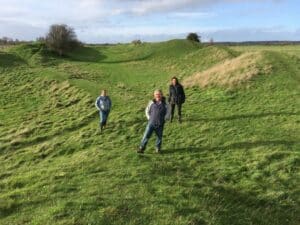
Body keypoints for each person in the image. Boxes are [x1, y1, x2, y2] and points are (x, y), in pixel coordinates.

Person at [137, 90, 170, 154]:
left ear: (162, 95)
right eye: (156, 94)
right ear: (154, 95)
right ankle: (141, 148)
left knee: (159, 137)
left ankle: (158, 149)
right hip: (151, 123)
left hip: (160, 123)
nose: (158, 95)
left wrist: (165, 119)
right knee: (146, 136)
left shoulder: (166, 103)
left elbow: (168, 112)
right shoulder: (151, 102)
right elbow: (147, 110)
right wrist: (149, 118)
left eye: (159, 94)